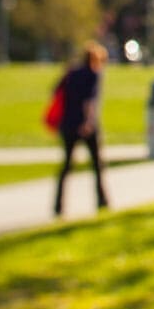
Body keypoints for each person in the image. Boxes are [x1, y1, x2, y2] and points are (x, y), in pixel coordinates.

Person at [53, 41, 110, 216]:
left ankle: (58, 205)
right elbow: (89, 100)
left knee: (67, 165)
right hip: (85, 125)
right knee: (97, 164)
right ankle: (102, 200)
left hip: (67, 124)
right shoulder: (93, 74)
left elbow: (56, 92)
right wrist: (88, 122)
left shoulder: (71, 72)